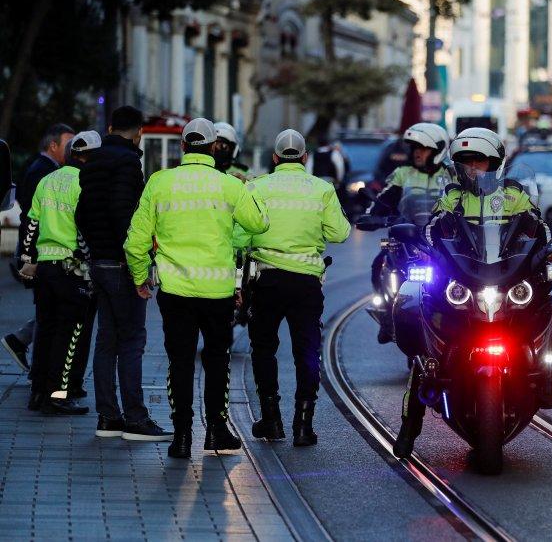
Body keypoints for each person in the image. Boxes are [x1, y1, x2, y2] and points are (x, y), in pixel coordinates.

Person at [392, 128, 552, 459]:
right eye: (466, 162)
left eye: (479, 161)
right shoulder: (453, 197)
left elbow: (537, 226)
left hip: (505, 277)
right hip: (463, 279)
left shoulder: (515, 195)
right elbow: (434, 227)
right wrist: (424, 247)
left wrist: (551, 248)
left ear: (495, 163)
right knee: (423, 350)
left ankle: (544, 372)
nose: (473, 168)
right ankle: (409, 427)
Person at [124, 118, 268, 459]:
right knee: (218, 361)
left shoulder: (160, 183)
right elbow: (259, 224)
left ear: (184, 147)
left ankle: (183, 435)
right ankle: (217, 431)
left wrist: (141, 277)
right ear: (214, 147)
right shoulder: (230, 185)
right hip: (217, 292)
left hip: (175, 292)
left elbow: (135, 242)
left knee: (180, 362)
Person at [235, 129, 350, 447]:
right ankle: (303, 425)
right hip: (306, 283)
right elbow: (340, 233)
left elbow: (240, 237)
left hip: (266, 281)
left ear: (274, 158)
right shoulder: (322, 189)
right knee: (307, 351)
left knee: (263, 349)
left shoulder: (256, 187)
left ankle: (271, 421)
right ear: (305, 157)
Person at [74, 106, 171, 440]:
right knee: (132, 341)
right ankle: (135, 419)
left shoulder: (91, 163)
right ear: (139, 132)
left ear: (111, 127)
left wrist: (94, 251)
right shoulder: (129, 164)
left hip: (99, 263)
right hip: (121, 263)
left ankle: (108, 417)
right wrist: (137, 268)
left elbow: (81, 213)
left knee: (106, 340)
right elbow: (126, 216)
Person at [20, 131, 100, 415]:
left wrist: (27, 258)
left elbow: (31, 224)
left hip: (45, 267)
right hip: (72, 268)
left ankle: (38, 392)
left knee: (45, 330)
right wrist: (89, 262)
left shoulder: (48, 180)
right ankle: (58, 394)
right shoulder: (86, 184)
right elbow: (85, 229)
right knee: (70, 335)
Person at [367, 122, 451, 343]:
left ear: (438, 149)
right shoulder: (402, 174)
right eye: (414, 148)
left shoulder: (453, 175)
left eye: (423, 148)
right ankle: (386, 314)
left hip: (441, 240)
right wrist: (372, 215)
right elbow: (384, 200)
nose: (417, 153)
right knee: (379, 264)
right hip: (408, 238)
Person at [3, 124, 75, 371]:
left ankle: (27, 351)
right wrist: (27, 257)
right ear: (53, 145)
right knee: (50, 314)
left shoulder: (46, 169)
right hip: (42, 254)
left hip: (41, 254)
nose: (73, 149)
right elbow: (32, 218)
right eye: (69, 143)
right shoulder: (42, 172)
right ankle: (42, 373)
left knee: (49, 312)